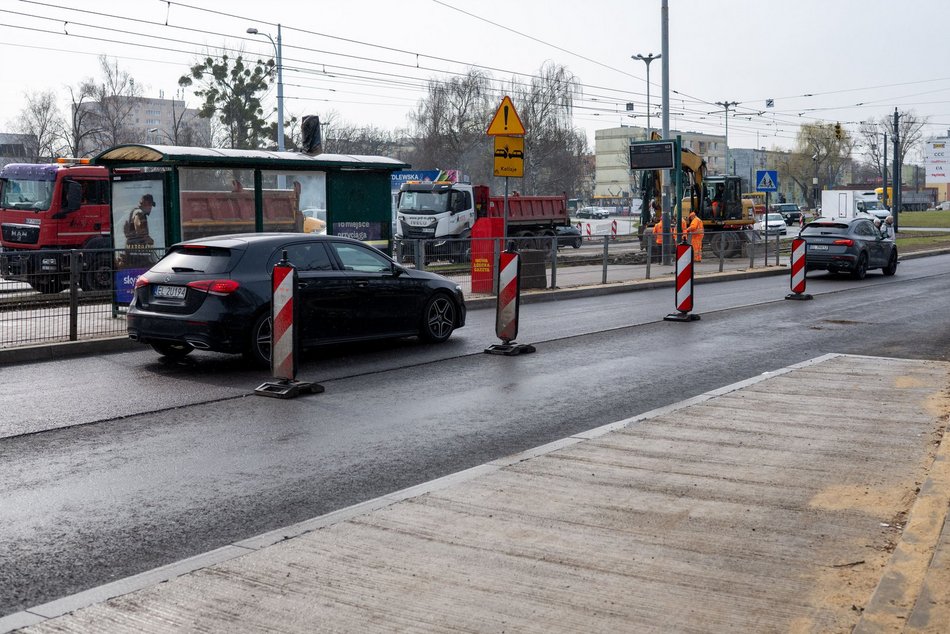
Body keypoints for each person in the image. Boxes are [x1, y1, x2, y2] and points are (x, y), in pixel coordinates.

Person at [123, 194, 157, 266]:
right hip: (137, 247)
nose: (151, 208)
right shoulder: (139, 212)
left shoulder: (135, 211)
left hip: (132, 246)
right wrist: (147, 238)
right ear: (146, 203)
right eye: (150, 205)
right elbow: (138, 225)